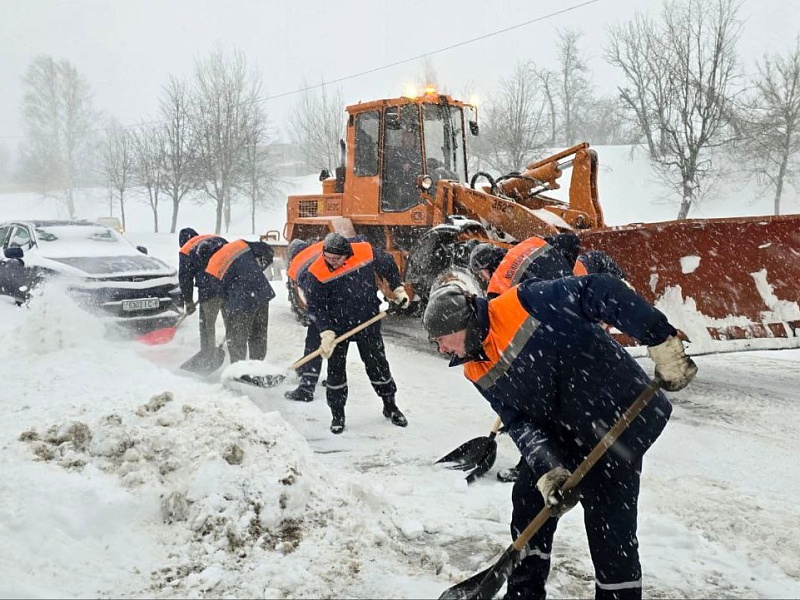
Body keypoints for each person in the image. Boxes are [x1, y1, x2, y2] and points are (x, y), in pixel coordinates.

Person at [422, 276, 697, 600]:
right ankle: (525, 594)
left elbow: (598, 290)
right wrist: (548, 469)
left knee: (610, 533)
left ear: (462, 324)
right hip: (563, 431)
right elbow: (518, 420)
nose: (441, 349)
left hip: (614, 420)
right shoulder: (474, 368)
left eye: (441, 339)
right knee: (527, 501)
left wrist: (658, 338)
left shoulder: (523, 304)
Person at [469, 234, 631, 483]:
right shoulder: (527, 251)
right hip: (589, 304)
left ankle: (537, 466)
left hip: (564, 333)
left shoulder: (498, 293)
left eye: (480, 273)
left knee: (537, 410)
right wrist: (561, 276)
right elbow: (569, 240)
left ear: (487, 267)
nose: (481, 279)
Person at [304, 232, 410, 434]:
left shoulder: (364, 253)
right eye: (328, 257)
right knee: (335, 371)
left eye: (337, 259)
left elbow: (387, 263)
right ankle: (337, 414)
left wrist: (397, 289)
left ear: (347, 255)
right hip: (337, 328)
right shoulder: (316, 272)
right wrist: (325, 332)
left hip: (367, 321)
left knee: (377, 365)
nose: (331, 262)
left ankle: (390, 406)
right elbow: (316, 307)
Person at [203, 238, 276, 363]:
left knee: (237, 340)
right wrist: (258, 271)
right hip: (262, 293)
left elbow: (222, 295)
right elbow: (267, 250)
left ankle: (238, 371)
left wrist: (230, 317)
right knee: (258, 335)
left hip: (241, 303)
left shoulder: (212, 266)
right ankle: (258, 367)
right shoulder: (238, 245)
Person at [283, 239, 325, 402]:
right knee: (336, 345)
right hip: (344, 303)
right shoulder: (320, 250)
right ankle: (335, 379)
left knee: (314, 342)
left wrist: (313, 317)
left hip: (325, 306)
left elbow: (310, 297)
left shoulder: (299, 267)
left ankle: (306, 388)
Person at [178, 228, 227, 364]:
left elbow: (185, 278)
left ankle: (207, 353)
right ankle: (235, 348)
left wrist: (188, 301)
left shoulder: (186, 250)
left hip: (208, 290)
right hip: (229, 285)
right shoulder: (218, 239)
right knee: (232, 321)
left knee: (206, 324)